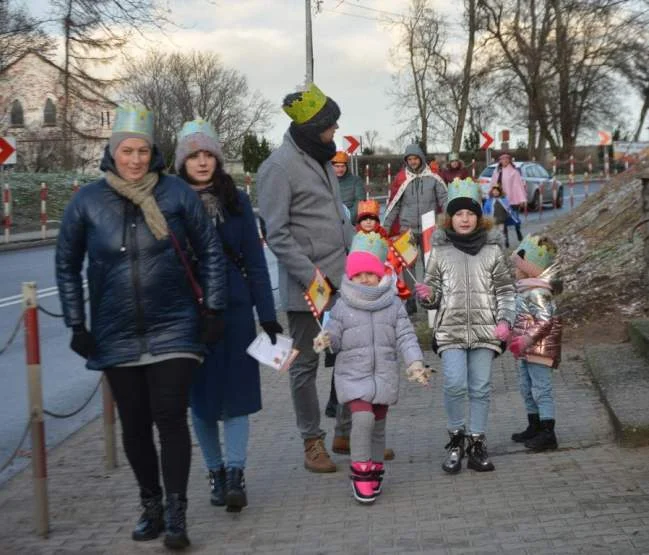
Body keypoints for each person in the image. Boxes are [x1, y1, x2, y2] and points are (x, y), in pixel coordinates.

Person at [56, 105, 227, 550]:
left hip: (174, 326)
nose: (135, 159)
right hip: (116, 332)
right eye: (127, 151)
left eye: (143, 151)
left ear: (154, 153)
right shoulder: (88, 202)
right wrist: (77, 322)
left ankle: (176, 511)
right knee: (134, 424)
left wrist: (213, 309)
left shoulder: (176, 194)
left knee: (170, 417)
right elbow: (66, 264)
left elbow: (209, 250)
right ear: (112, 152)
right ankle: (149, 504)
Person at [174, 119, 282, 512]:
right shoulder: (169, 200)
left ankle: (236, 474)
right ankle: (215, 473)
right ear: (182, 160)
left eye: (208, 155)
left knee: (236, 397)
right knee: (200, 400)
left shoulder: (235, 200)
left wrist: (267, 316)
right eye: (194, 155)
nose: (202, 162)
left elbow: (254, 262)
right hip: (189, 313)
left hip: (236, 312)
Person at [257, 83, 354, 473]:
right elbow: (276, 233)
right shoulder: (277, 168)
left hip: (345, 280)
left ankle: (347, 432)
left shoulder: (324, 158)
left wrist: (362, 261)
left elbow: (337, 216)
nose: (336, 131)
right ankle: (312, 441)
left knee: (352, 355)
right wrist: (313, 278)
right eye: (331, 125)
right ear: (314, 127)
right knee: (305, 366)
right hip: (307, 289)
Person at [313, 232, 427, 504]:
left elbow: (406, 336)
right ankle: (361, 469)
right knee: (362, 419)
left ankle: (375, 468)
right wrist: (327, 338)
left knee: (377, 425)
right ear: (350, 277)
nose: (365, 279)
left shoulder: (393, 304)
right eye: (358, 274)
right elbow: (335, 338)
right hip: (354, 376)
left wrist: (415, 362)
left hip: (384, 375)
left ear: (380, 274)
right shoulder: (342, 306)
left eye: (370, 274)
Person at [414, 178, 515, 474]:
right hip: (451, 332)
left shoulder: (493, 251)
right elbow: (433, 291)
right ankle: (456, 438)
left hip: (486, 331)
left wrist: (505, 320)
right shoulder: (441, 253)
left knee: (481, 388)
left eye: (470, 213)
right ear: (450, 218)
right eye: (458, 214)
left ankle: (477, 441)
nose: (465, 218)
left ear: (478, 216)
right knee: (455, 384)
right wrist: (428, 295)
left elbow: (507, 291)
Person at [509, 235, 562, 451]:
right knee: (526, 387)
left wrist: (527, 338)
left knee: (541, 388)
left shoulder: (539, 292)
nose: (515, 270)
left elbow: (546, 321)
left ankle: (548, 432)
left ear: (530, 268)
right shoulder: (526, 289)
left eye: (518, 266)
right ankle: (535, 424)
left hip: (539, 349)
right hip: (526, 349)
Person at [382, 144, 448, 314]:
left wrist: (450, 220)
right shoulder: (401, 178)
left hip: (429, 228)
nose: (412, 162)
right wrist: (386, 227)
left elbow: (444, 199)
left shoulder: (434, 176)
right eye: (409, 159)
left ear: (421, 158)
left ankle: (429, 298)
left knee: (430, 265)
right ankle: (411, 299)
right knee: (408, 266)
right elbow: (394, 204)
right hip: (407, 228)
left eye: (415, 158)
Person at [490, 153, 527, 246]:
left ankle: (518, 232)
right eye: (502, 159)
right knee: (503, 220)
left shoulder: (514, 172)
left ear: (509, 160)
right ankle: (506, 241)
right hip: (502, 200)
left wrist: (522, 199)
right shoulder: (496, 172)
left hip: (513, 200)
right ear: (500, 161)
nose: (504, 161)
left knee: (515, 218)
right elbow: (493, 184)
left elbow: (518, 186)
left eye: (506, 159)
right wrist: (490, 194)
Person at [332, 150, 366, 224]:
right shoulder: (327, 181)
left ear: (346, 166)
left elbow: (360, 201)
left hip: (351, 221)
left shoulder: (356, 180)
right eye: (337, 166)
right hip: (332, 222)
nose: (340, 169)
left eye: (342, 166)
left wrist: (349, 219)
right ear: (331, 167)